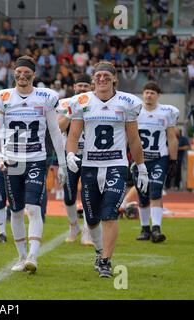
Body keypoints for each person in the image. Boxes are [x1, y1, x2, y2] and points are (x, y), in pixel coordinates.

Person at [66, 61, 149, 278]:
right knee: (92, 218)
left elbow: (133, 138)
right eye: (98, 76)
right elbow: (73, 135)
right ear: (93, 80)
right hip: (91, 165)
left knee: (109, 214)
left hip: (116, 165)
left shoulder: (127, 102)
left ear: (114, 79)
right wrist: (70, 154)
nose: (101, 79)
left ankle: (105, 261)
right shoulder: (81, 101)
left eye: (106, 76)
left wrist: (141, 167)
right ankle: (98, 251)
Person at [0, 56, 67, 274]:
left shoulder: (46, 97)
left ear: (34, 75)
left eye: (27, 73)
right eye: (19, 72)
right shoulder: (3, 97)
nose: (22, 76)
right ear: (13, 73)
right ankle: (22, 256)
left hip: (35, 159)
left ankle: (33, 256)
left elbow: (54, 131)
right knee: (15, 210)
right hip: (12, 160)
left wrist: (61, 162)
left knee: (33, 208)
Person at [133, 82, 179, 243]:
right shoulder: (136, 111)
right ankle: (145, 229)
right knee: (142, 196)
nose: (148, 95)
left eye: (152, 93)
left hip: (160, 158)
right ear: (142, 94)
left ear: (158, 96)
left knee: (155, 192)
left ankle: (156, 229)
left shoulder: (167, 112)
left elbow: (172, 138)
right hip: (140, 160)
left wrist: (173, 160)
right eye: (146, 92)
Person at [56, 74, 94, 245]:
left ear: (91, 87)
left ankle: (87, 232)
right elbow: (59, 128)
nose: (82, 89)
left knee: (89, 194)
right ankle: (74, 226)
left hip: (91, 155)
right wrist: (72, 112)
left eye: (86, 86)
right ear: (74, 87)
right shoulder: (65, 103)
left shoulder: (96, 102)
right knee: (69, 195)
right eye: (79, 86)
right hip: (69, 154)